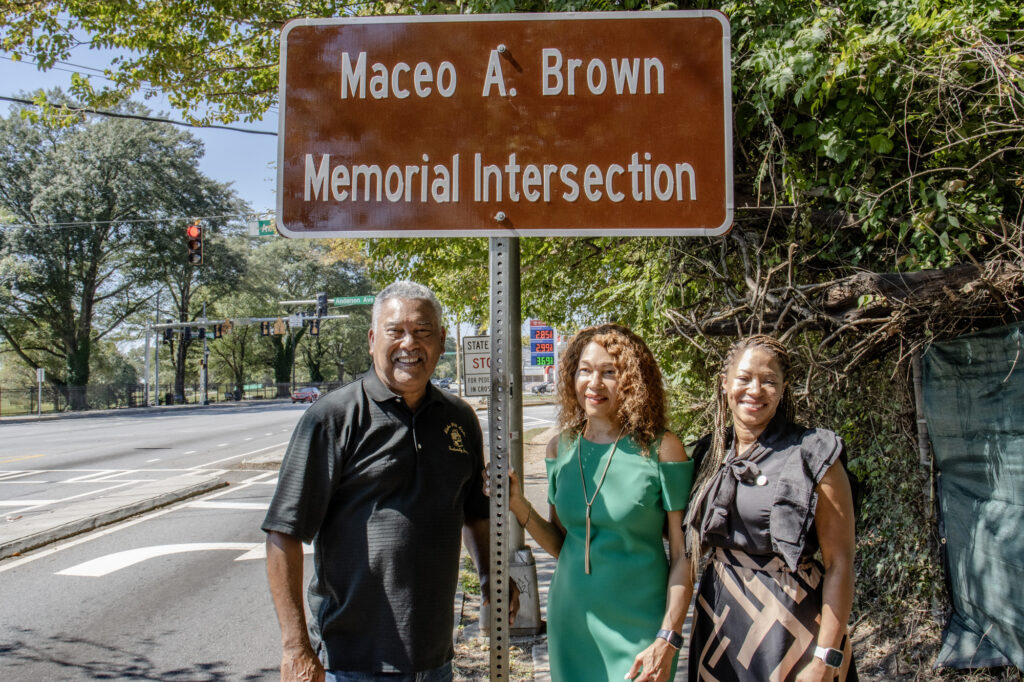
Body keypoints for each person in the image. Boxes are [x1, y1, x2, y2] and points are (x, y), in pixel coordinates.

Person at [262, 281, 514, 682]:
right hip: (352, 662)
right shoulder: (332, 418)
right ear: (372, 339)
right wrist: (295, 647)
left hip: (435, 659)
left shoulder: (459, 418)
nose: (409, 344)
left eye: (423, 331)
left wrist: (489, 577)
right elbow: (283, 533)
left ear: (442, 340)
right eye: (396, 331)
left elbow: (475, 515)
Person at [507, 323, 694, 682]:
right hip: (573, 622)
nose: (594, 383)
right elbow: (564, 544)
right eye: (585, 371)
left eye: (610, 372)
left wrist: (668, 636)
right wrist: (518, 505)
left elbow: (684, 555)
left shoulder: (661, 448)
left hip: (643, 623)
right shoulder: (559, 448)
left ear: (633, 381)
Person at [683, 334, 858, 681]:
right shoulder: (708, 455)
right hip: (718, 625)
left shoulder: (812, 453)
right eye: (744, 378)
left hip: (792, 628)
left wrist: (825, 657)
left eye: (769, 381)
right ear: (725, 383)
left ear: (783, 389)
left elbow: (841, 562)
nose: (755, 389)